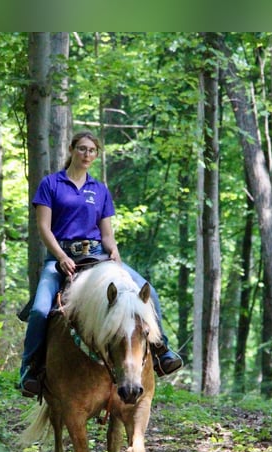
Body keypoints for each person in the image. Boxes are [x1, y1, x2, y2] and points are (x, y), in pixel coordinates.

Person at [19, 130, 183, 397]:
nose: (86, 154)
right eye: (82, 149)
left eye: (92, 150)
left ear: (96, 155)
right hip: (61, 258)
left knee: (148, 293)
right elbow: (44, 228)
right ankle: (31, 370)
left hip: (98, 256)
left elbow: (106, 234)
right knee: (39, 310)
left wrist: (114, 252)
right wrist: (61, 256)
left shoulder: (99, 189)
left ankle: (162, 350)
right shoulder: (51, 184)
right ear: (72, 149)